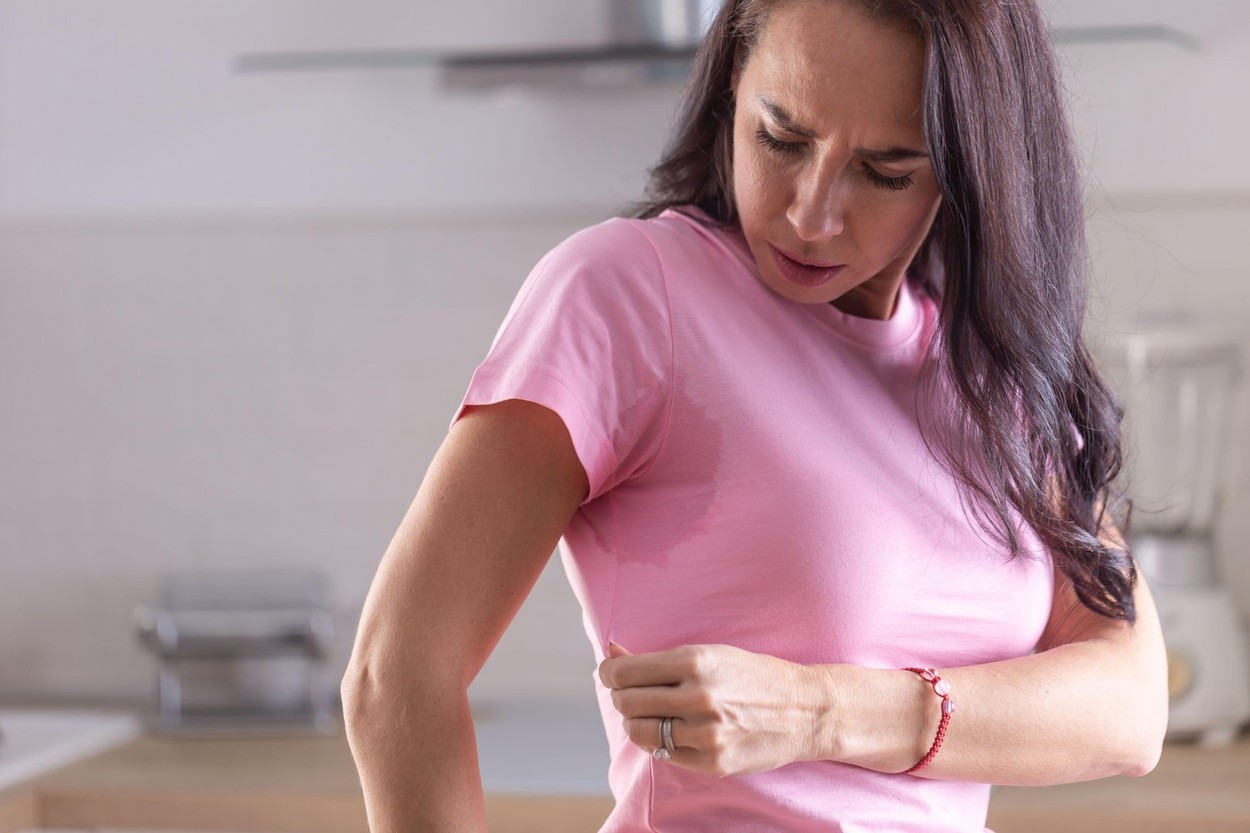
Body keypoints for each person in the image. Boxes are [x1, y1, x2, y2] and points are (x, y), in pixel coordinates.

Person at [340, 0, 1169, 830]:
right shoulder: (631, 294)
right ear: (732, 86)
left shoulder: (994, 380)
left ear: (968, 168)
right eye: (782, 138)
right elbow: (395, 674)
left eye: (886, 171)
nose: (812, 213)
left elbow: (1129, 707)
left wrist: (823, 709)